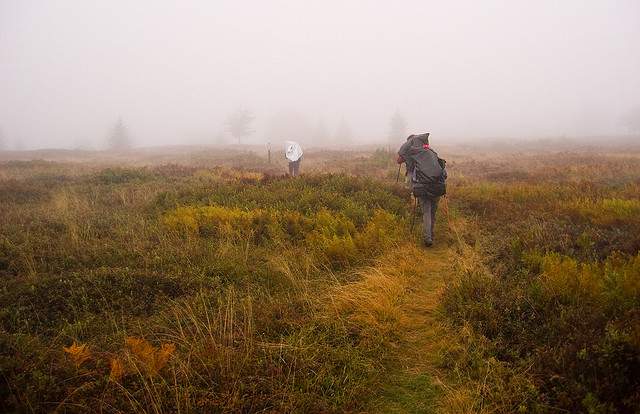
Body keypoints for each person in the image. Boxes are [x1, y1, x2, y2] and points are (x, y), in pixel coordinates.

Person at [396, 133, 447, 247]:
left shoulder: (413, 155)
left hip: (422, 187)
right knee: (432, 212)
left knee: (426, 211)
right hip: (437, 186)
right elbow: (444, 172)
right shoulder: (431, 153)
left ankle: (427, 238)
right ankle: (430, 235)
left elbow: (399, 160)